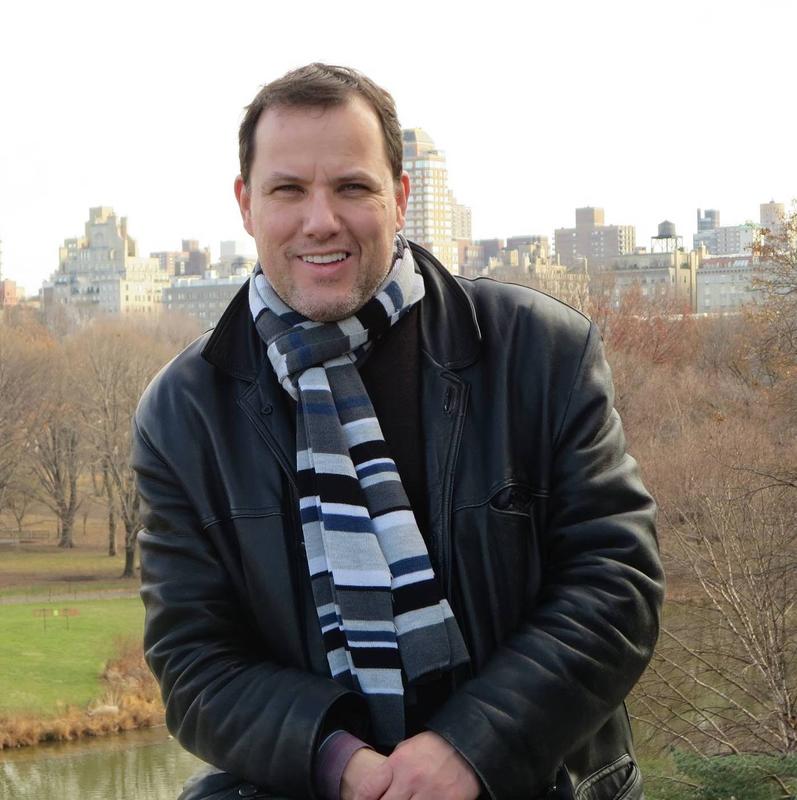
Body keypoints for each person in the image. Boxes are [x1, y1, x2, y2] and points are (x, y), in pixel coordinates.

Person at [133, 63, 664, 800]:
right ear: (246, 205)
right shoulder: (183, 411)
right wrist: (338, 762)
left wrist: (469, 748)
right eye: (288, 190)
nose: (321, 220)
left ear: (400, 197)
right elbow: (194, 663)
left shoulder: (539, 352)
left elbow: (615, 585)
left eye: (352, 187)